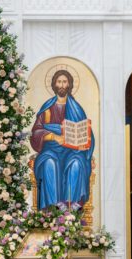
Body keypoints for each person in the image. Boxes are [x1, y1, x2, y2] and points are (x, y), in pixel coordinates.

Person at [30, 69, 95, 208]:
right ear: (54, 84)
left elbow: (86, 131)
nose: (61, 85)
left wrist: (83, 141)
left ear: (69, 84)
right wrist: (54, 136)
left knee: (77, 163)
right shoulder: (47, 108)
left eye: (64, 82)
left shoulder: (76, 108)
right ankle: (52, 208)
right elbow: (36, 132)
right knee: (49, 163)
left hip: (72, 151)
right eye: (59, 82)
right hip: (51, 150)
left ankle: (72, 205)